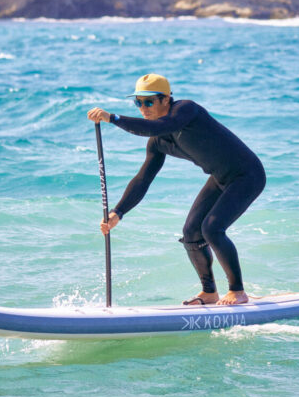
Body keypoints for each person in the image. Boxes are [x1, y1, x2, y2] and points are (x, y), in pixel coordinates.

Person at [86, 73, 266, 306]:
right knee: (191, 232)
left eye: (148, 102)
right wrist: (117, 212)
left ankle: (237, 291)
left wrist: (114, 118)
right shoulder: (158, 142)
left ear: (166, 99)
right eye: (138, 102)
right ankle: (209, 293)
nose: (143, 108)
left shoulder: (186, 110)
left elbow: (163, 125)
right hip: (220, 177)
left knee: (212, 228)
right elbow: (143, 179)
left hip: (247, 175)